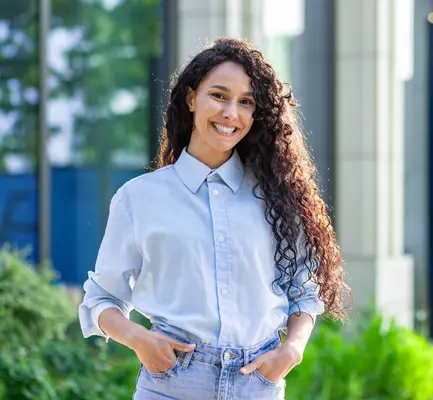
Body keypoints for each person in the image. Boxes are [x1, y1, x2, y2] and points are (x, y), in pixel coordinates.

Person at [78, 38, 349, 399]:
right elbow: (101, 298)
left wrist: (293, 349)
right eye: (219, 95)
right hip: (172, 384)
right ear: (192, 98)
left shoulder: (276, 197)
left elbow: (305, 288)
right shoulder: (139, 198)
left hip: (258, 386)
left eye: (246, 102)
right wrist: (139, 340)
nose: (230, 113)